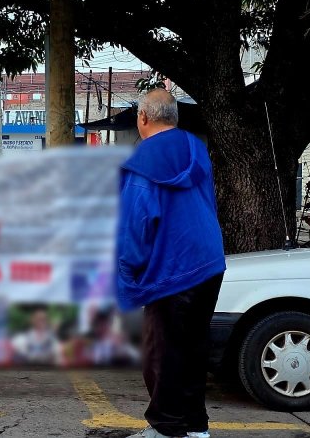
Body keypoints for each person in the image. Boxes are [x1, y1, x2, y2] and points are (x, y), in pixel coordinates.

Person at [117, 89, 226, 438]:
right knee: (192, 348)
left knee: (162, 352)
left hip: (173, 265)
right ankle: (195, 428)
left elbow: (135, 222)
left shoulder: (144, 160)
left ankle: (165, 428)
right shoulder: (197, 149)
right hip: (208, 261)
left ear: (143, 118)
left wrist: (126, 274)